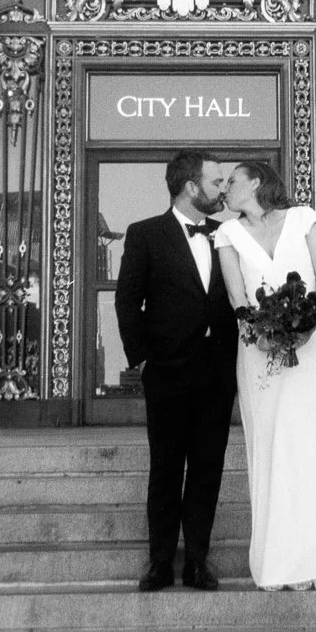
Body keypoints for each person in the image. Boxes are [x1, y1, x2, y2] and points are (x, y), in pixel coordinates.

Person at [214, 160, 316, 591]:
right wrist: (262, 333)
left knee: (306, 446)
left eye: (231, 181)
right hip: (259, 354)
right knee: (270, 447)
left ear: (256, 182)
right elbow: (238, 298)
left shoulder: (305, 219)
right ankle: (278, 564)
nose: (225, 190)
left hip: (309, 350)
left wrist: (307, 324)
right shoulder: (227, 234)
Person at [114, 150, 238, 592]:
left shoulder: (228, 234)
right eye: (217, 181)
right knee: (166, 470)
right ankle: (160, 563)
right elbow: (128, 300)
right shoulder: (145, 234)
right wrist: (141, 357)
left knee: (207, 469)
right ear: (191, 187)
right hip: (167, 372)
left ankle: (198, 563)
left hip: (218, 374)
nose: (224, 189)